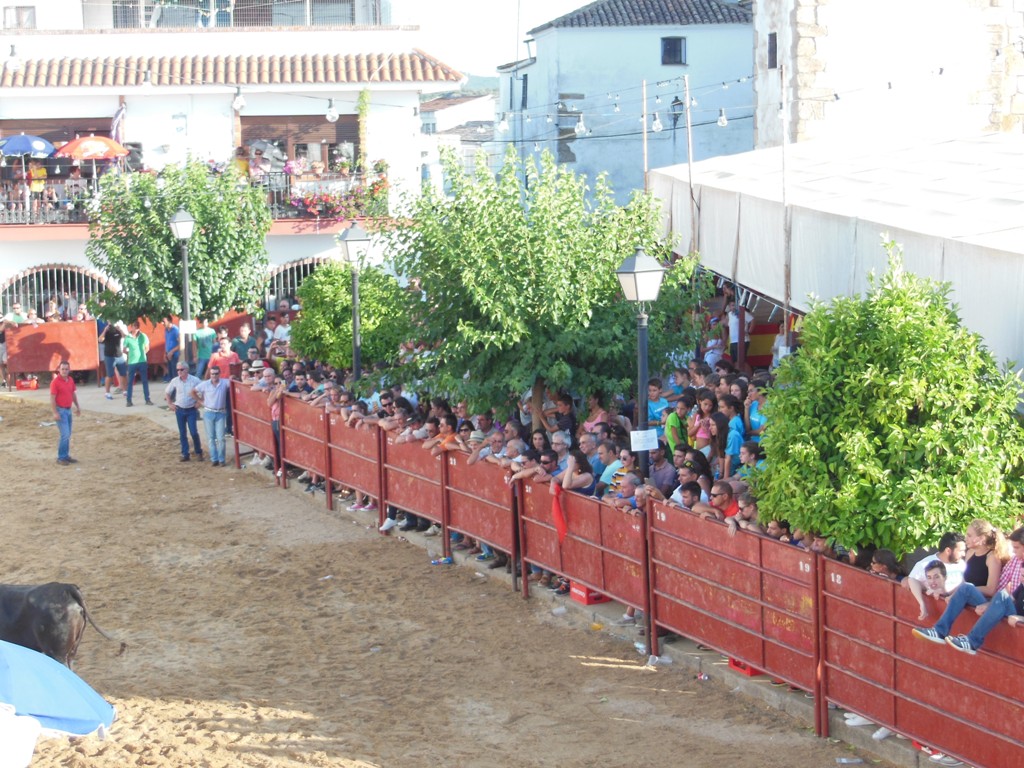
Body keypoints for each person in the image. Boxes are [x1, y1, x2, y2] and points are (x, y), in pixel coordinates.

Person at [913, 527, 1024, 655]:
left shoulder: (993, 558)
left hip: (1016, 616)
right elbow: (1009, 593)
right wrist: (990, 604)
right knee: (967, 587)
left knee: (1002, 596)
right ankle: (939, 631)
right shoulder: (1017, 561)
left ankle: (972, 641)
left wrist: (1020, 617)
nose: (1013, 551)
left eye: (1016, 548)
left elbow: (997, 593)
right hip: (1003, 608)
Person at [904, 532, 967, 620]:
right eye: (960, 551)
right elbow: (913, 579)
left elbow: (963, 585)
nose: (964, 554)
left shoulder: (961, 564)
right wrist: (922, 603)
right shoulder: (925, 564)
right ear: (948, 551)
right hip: (935, 616)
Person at [192, 365, 231, 466]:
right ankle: (214, 459)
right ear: (210, 374)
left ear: (219, 374)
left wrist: (234, 377)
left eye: (216, 373)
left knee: (220, 438)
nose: (214, 375)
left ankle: (221, 460)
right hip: (209, 412)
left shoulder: (224, 382)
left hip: (220, 413)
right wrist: (200, 401)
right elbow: (192, 392)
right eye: (212, 374)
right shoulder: (205, 384)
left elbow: (233, 381)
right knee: (211, 438)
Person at [165, 362, 203, 462]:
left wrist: (199, 402)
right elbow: (167, 392)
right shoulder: (175, 381)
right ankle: (185, 453)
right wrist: (170, 404)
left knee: (193, 432)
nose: (179, 371)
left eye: (181, 369)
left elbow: (204, 390)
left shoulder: (195, 380)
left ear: (187, 370)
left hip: (191, 409)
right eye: (178, 370)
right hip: (180, 409)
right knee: (182, 433)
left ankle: (198, 451)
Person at [50, 360, 81, 465]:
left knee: (67, 434)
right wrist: (55, 412)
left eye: (66, 369)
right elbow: (52, 398)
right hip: (61, 410)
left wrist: (77, 406)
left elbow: (73, 394)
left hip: (68, 410)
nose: (64, 371)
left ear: (69, 370)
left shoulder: (70, 380)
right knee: (65, 434)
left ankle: (65, 456)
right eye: (62, 369)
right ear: (59, 369)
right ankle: (61, 457)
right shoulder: (55, 382)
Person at [122, 321, 152, 407]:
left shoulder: (143, 336)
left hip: (142, 361)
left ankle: (147, 399)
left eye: (137, 326)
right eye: (134, 326)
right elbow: (124, 349)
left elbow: (147, 347)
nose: (136, 328)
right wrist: (131, 354)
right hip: (132, 362)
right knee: (130, 382)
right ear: (131, 327)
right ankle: (129, 401)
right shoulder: (128, 337)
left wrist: (142, 354)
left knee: (144, 381)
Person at [98, 320, 126, 399]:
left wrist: (120, 329)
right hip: (109, 356)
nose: (111, 324)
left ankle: (125, 391)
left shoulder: (117, 330)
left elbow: (125, 337)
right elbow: (100, 339)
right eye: (110, 322)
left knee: (123, 374)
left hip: (119, 355)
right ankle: (107, 392)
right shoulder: (106, 331)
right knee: (109, 375)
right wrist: (105, 331)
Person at [162, 316, 180, 381]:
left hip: (174, 355)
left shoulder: (175, 330)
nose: (162, 323)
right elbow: (167, 342)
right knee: (171, 375)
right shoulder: (166, 330)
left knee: (175, 375)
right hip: (168, 355)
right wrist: (165, 353)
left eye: (164, 322)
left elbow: (180, 344)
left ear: (169, 321)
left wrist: (171, 352)